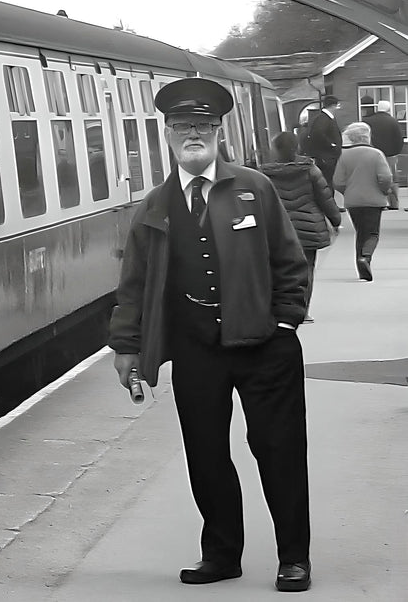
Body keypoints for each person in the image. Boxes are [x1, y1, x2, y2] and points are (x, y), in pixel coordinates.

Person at [109, 77, 311, 593]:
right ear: (169, 135)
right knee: (205, 454)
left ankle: (294, 558)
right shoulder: (153, 205)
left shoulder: (253, 188)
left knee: (279, 451)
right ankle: (221, 554)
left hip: (266, 346)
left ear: (218, 131)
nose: (191, 135)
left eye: (201, 126)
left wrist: (287, 319)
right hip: (196, 349)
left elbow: (289, 259)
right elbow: (133, 285)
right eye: (182, 127)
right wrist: (127, 346)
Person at [261, 131, 341, 323]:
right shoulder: (310, 170)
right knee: (307, 270)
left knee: (276, 269)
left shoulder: (264, 174)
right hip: (308, 227)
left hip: (277, 229)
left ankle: (278, 308)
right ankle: (302, 311)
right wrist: (335, 220)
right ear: (296, 148)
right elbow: (325, 198)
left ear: (275, 149)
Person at [333, 122, 392, 281]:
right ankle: (365, 257)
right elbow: (385, 177)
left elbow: (338, 181)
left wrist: (348, 192)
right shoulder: (376, 154)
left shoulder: (344, 155)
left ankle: (361, 267)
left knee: (361, 233)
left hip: (353, 201)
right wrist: (385, 191)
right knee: (372, 233)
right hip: (374, 200)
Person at [364, 100, 404, 210]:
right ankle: (393, 203)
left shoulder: (367, 121)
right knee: (391, 179)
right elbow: (399, 139)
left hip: (372, 154)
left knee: (374, 179)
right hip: (390, 155)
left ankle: (379, 203)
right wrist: (396, 152)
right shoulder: (393, 121)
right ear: (388, 109)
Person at [302, 95, 342, 190]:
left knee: (328, 181)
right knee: (327, 182)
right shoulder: (324, 119)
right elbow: (317, 133)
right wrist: (331, 144)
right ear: (333, 106)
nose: (338, 108)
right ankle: (329, 202)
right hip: (326, 157)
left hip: (326, 156)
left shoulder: (323, 118)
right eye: (338, 105)